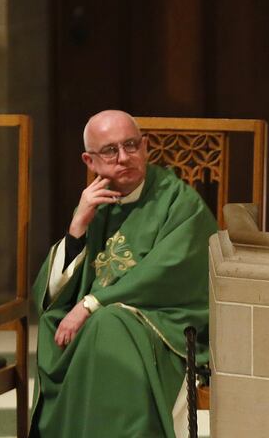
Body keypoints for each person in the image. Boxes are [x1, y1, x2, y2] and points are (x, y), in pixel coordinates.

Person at [29, 110, 217, 437]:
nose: (123, 158)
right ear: (89, 161)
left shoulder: (178, 200)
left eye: (131, 145)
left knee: (107, 322)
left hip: (165, 321)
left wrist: (92, 304)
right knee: (59, 323)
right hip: (106, 319)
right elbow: (49, 298)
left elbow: (168, 272)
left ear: (146, 146)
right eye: (109, 151)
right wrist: (77, 228)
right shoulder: (95, 203)